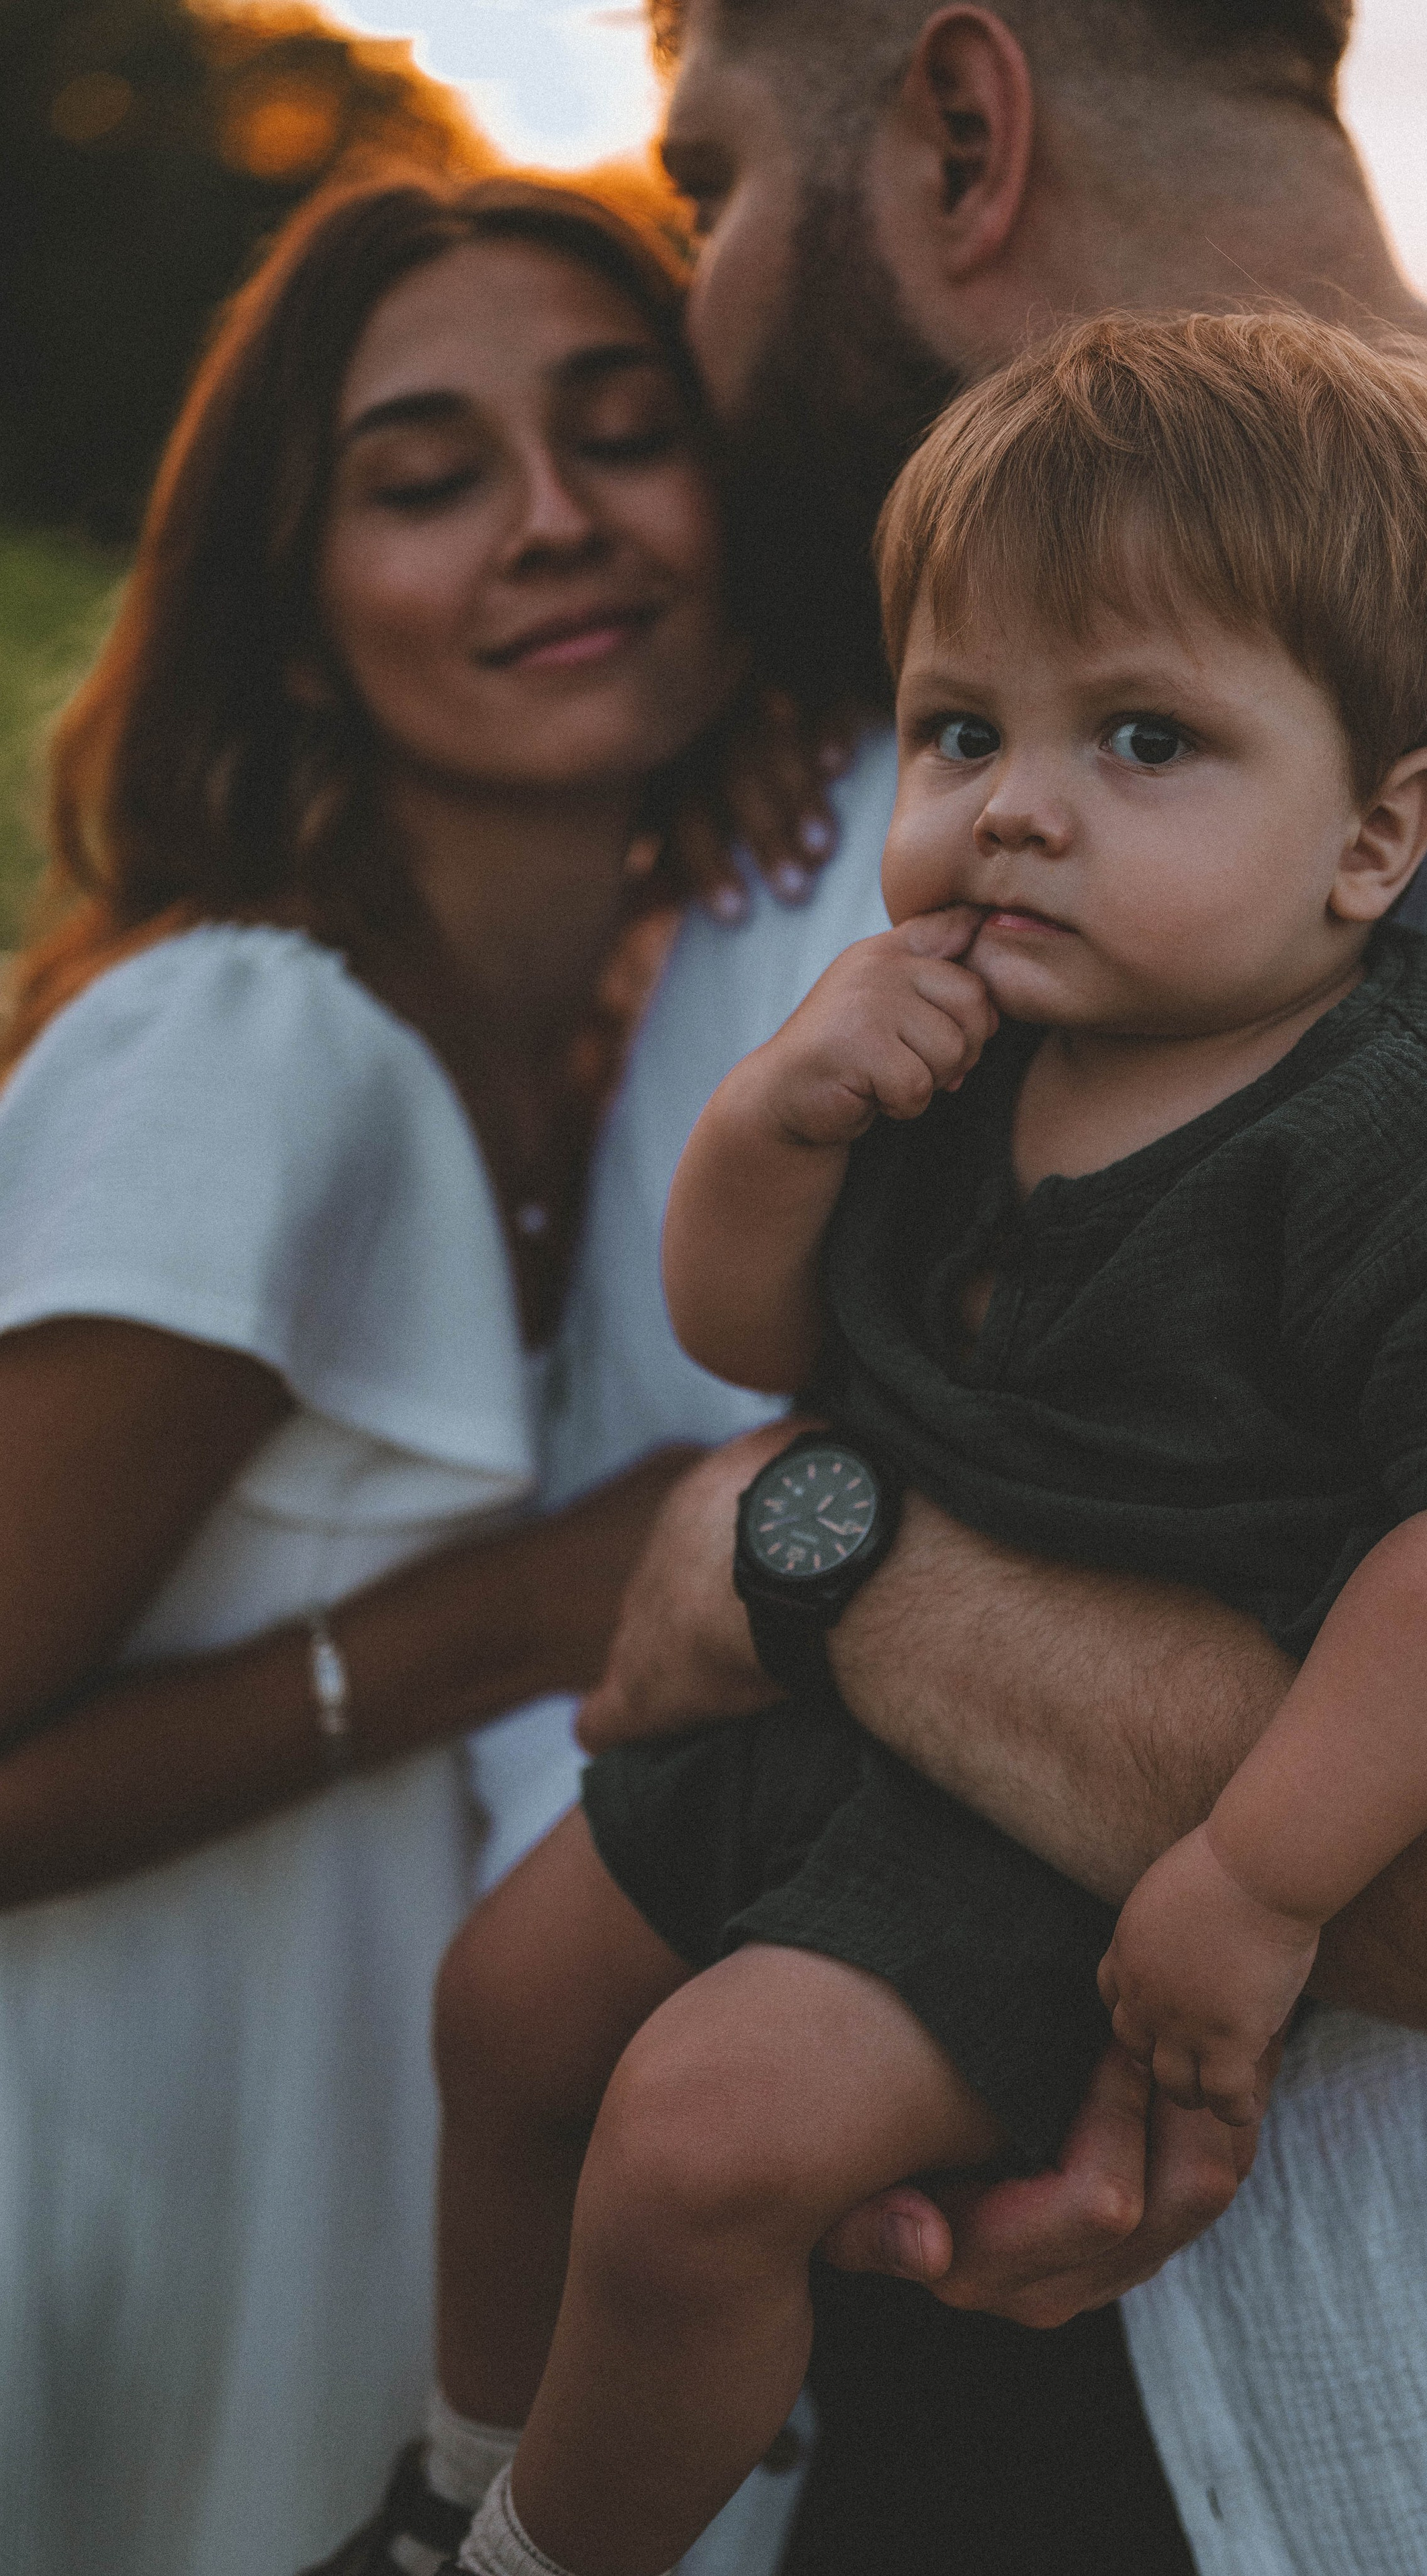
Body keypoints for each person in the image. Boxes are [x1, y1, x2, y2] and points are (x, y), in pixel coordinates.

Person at [544, 3, 1427, 2567]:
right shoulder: (987, 781)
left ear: (966, 135)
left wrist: (824, 1550)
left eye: (713, 183)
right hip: (918, 2360)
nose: (697, 299)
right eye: (964, 729)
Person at [0, 167, 835, 2576]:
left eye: (620, 431)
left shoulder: (621, 1031)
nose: (555, 524)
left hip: (323, 2243)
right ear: (292, 624)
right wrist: (538, 1600)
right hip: (98, 2226)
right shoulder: (259, 1050)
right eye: (427, 477)